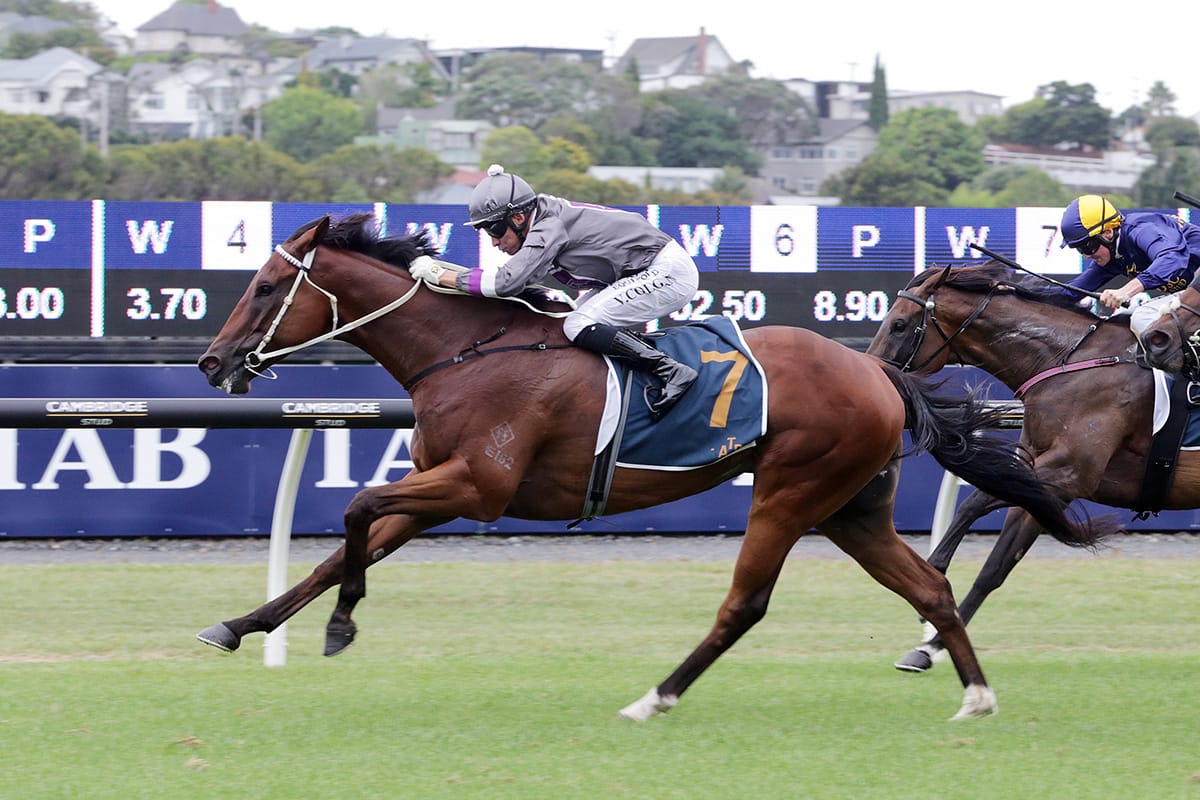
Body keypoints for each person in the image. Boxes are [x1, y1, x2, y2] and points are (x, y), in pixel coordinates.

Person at [408, 164, 700, 417]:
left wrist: (439, 274)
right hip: (643, 270)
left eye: (494, 230)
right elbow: (510, 285)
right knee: (567, 325)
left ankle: (670, 370)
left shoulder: (548, 228)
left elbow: (503, 283)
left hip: (666, 271)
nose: (494, 242)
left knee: (578, 324)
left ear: (519, 218)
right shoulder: (543, 220)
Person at [1059, 194, 1200, 335]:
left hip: (1195, 291)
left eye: (1087, 247)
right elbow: (1068, 292)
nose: (1087, 256)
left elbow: (1172, 258)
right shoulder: (1112, 256)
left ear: (1108, 232)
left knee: (1142, 317)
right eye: (1079, 249)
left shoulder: (1141, 229)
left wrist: (1125, 291)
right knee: (1121, 321)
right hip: (1192, 296)